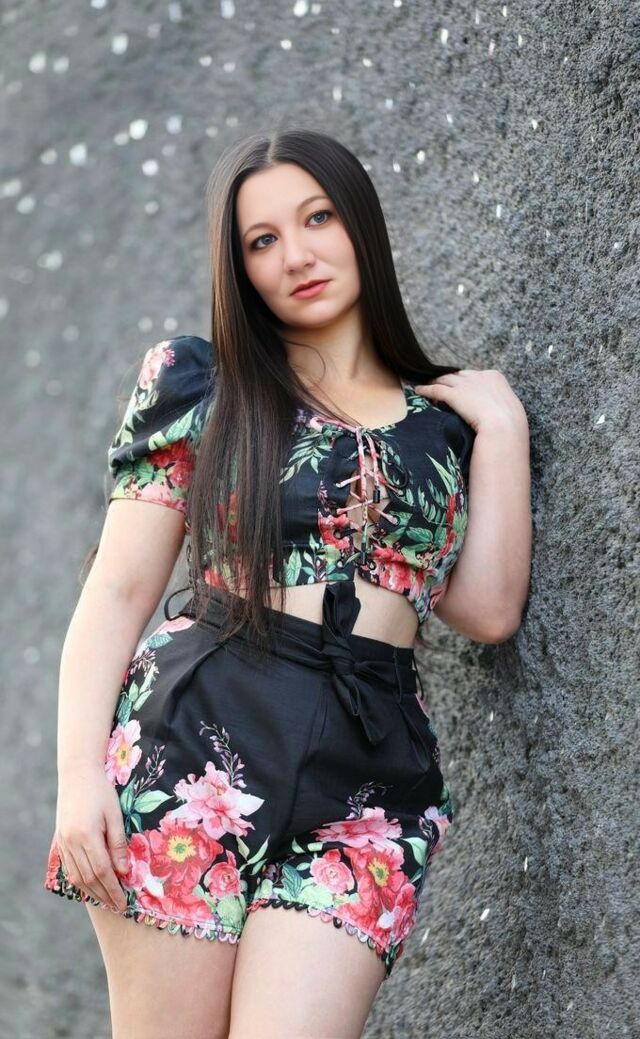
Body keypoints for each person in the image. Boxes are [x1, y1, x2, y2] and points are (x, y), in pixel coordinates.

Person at [43, 128, 532, 1039]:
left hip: (372, 773)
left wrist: (502, 429)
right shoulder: (201, 384)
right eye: (262, 240)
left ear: (361, 226)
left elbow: (487, 608)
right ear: (240, 268)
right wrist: (78, 780)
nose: (296, 256)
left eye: (318, 218)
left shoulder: (441, 427)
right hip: (198, 749)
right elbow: (116, 592)